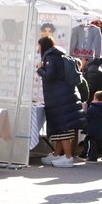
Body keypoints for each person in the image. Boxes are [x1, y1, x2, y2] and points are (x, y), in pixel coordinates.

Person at [37, 36, 85, 168]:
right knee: (60, 127)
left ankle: (68, 157)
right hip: (64, 96)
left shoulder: (50, 58)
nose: (38, 49)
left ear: (44, 46)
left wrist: (39, 69)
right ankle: (57, 154)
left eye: (39, 46)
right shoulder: (58, 56)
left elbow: (50, 75)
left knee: (63, 128)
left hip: (59, 98)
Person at [83, 91, 102, 162]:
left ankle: (91, 156)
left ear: (96, 99)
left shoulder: (92, 108)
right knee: (97, 143)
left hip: (91, 129)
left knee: (90, 143)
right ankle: (98, 153)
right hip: (101, 130)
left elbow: (87, 118)